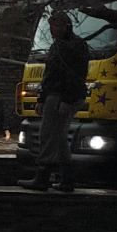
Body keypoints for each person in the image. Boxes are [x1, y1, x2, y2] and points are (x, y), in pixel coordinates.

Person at [20, 11, 89, 192]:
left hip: (62, 96)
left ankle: (43, 177)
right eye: (50, 27)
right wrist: (41, 98)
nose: (52, 31)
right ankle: (67, 179)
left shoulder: (75, 46)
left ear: (66, 26)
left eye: (56, 26)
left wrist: (66, 99)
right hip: (56, 94)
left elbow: (75, 75)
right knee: (58, 138)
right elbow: (49, 75)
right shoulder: (57, 45)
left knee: (48, 135)